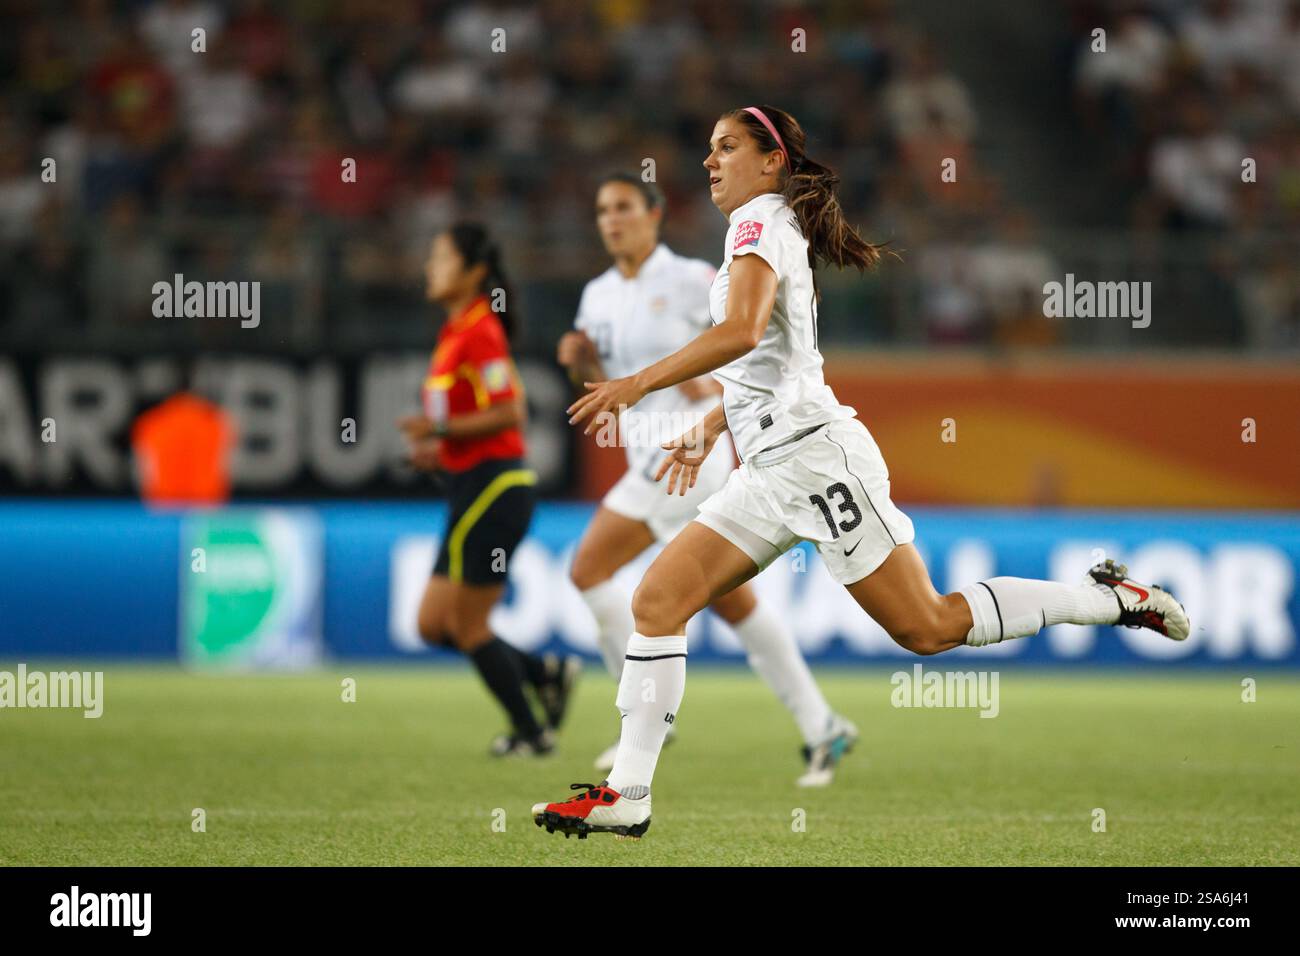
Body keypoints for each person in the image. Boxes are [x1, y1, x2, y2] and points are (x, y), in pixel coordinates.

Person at [532, 106, 1189, 839]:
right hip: (769, 467)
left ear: (771, 161)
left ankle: (1110, 601)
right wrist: (711, 424)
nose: (710, 162)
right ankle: (629, 793)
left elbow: (741, 333)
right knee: (658, 602)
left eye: (726, 148)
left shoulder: (757, 223)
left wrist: (638, 384)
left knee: (928, 627)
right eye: (708, 149)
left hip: (816, 461)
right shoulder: (761, 226)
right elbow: (777, 361)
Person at [560, 172, 856, 785]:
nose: (611, 220)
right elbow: (608, 383)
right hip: (649, 459)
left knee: (594, 570)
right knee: (731, 602)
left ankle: (642, 725)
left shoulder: (692, 277)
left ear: (653, 215)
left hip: (692, 455)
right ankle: (821, 725)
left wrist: (713, 389)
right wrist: (580, 363)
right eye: (601, 210)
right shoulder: (596, 295)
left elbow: (768, 323)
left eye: (622, 207)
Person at [400, 222, 579, 758]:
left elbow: (511, 412)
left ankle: (532, 732)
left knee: (466, 623)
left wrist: (440, 432)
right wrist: (440, 446)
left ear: (474, 271)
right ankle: (542, 672)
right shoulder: (454, 332)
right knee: (434, 624)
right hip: (469, 485)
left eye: (441, 257)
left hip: (495, 486)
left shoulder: (480, 330)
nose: (430, 268)